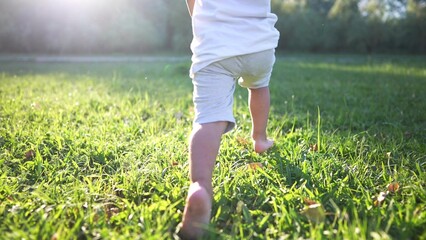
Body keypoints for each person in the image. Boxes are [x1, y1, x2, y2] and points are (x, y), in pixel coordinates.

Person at [177, 0, 280, 239]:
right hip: (258, 44)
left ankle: (200, 186)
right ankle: (260, 138)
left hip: (215, 43)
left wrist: (197, 18)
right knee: (259, 87)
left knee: (209, 118)